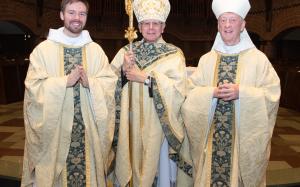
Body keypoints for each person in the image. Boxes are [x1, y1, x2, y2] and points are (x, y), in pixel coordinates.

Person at [181, 0, 281, 186]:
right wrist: (210, 93)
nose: (227, 25)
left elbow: (272, 94)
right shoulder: (207, 60)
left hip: (241, 145)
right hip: (211, 143)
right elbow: (189, 92)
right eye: (223, 20)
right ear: (218, 25)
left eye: (232, 20)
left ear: (242, 25)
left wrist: (241, 93)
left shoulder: (259, 60)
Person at [21, 0, 117, 186]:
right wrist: (65, 82)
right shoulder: (43, 50)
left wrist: (92, 83)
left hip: (88, 132)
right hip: (55, 131)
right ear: (62, 15)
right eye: (72, 12)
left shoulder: (95, 51)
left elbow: (109, 84)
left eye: (82, 14)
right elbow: (33, 86)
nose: (77, 18)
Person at [110, 0, 192, 186]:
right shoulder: (126, 52)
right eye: (146, 23)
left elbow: (179, 91)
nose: (151, 27)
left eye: (156, 23)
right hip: (129, 124)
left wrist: (146, 78)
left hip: (159, 127)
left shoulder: (174, 54)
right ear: (138, 26)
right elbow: (107, 86)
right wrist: (123, 72)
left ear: (163, 27)